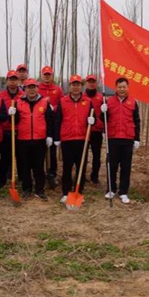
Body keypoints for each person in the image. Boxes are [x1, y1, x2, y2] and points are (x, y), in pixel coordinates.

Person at [54, 75, 95, 203]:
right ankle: (66, 192)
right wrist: (57, 137)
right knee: (67, 166)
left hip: (82, 138)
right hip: (67, 138)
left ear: (81, 86)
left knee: (81, 166)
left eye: (78, 84)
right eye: (73, 84)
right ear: (70, 86)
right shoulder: (63, 101)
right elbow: (57, 120)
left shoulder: (88, 101)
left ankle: (79, 190)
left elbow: (93, 119)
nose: (76, 87)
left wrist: (93, 121)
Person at [100, 77, 140, 203]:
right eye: (119, 87)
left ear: (127, 88)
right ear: (116, 88)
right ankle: (111, 189)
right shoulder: (109, 101)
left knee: (126, 166)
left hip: (127, 138)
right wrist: (103, 112)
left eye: (124, 87)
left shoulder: (133, 102)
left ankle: (123, 191)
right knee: (111, 165)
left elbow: (137, 121)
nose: (122, 89)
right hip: (113, 137)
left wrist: (137, 138)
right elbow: (104, 120)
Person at [11, 79, 53, 199]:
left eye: (34, 87)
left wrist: (49, 135)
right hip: (23, 139)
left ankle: (39, 189)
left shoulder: (44, 102)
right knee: (24, 166)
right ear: (24, 90)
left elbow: (49, 121)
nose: (32, 90)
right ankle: (26, 188)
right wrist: (12, 114)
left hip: (39, 139)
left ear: (37, 88)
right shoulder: (18, 102)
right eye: (29, 87)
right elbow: (14, 122)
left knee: (39, 166)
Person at [38, 66, 64, 188]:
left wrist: (54, 107)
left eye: (49, 74)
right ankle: (39, 174)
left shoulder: (57, 89)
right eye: (45, 74)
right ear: (42, 75)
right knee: (40, 150)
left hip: (53, 123)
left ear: (52, 76)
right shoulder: (37, 88)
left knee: (52, 150)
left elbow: (63, 104)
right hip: (40, 122)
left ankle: (52, 173)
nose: (47, 76)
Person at [0, 70, 23, 189]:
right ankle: (2, 180)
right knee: (5, 157)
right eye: (10, 79)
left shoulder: (23, 95)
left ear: (18, 81)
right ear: (7, 81)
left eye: (15, 79)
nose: (12, 82)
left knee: (21, 157)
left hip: (20, 130)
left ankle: (23, 180)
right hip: (5, 129)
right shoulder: (1, 95)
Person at [83, 74, 105, 185]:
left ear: (96, 83)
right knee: (83, 155)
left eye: (93, 82)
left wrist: (104, 127)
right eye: (89, 81)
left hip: (97, 130)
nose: (91, 84)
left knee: (96, 155)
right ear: (86, 83)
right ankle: (82, 175)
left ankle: (94, 176)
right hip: (84, 131)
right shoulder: (82, 97)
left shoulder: (101, 98)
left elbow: (105, 115)